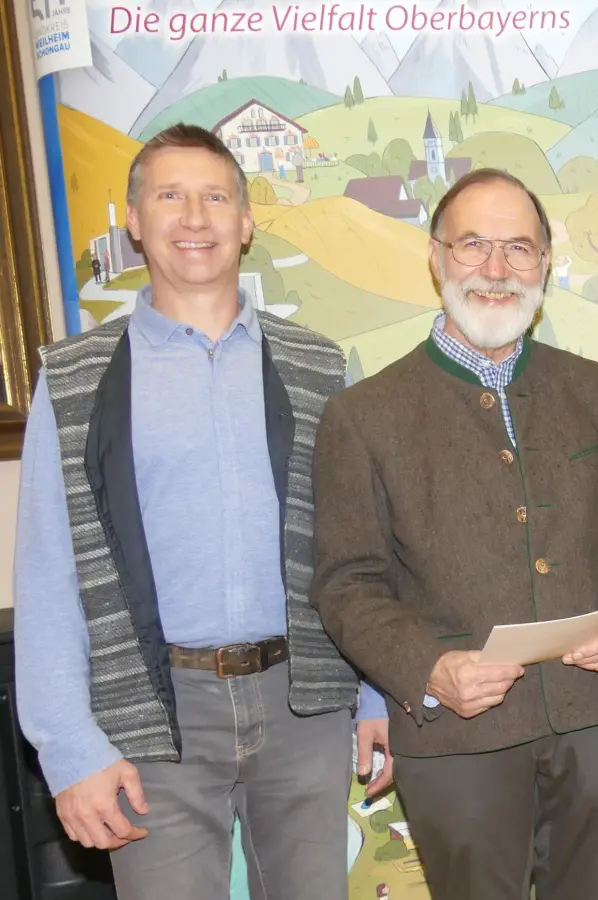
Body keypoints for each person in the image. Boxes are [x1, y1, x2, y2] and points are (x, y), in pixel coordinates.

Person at [12, 123, 388, 899]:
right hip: (152, 718)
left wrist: (376, 695)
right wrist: (68, 746)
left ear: (246, 224)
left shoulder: (320, 365)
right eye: (171, 196)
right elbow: (49, 574)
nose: (195, 216)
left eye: (216, 196)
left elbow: (360, 549)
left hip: (305, 707)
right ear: (134, 220)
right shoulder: (77, 378)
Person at [310, 168, 598, 900]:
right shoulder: (363, 416)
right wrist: (429, 670)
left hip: (594, 724)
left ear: (545, 265)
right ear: (436, 258)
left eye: (518, 249)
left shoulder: (596, 389)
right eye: (473, 246)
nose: (496, 271)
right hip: (456, 740)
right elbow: (347, 584)